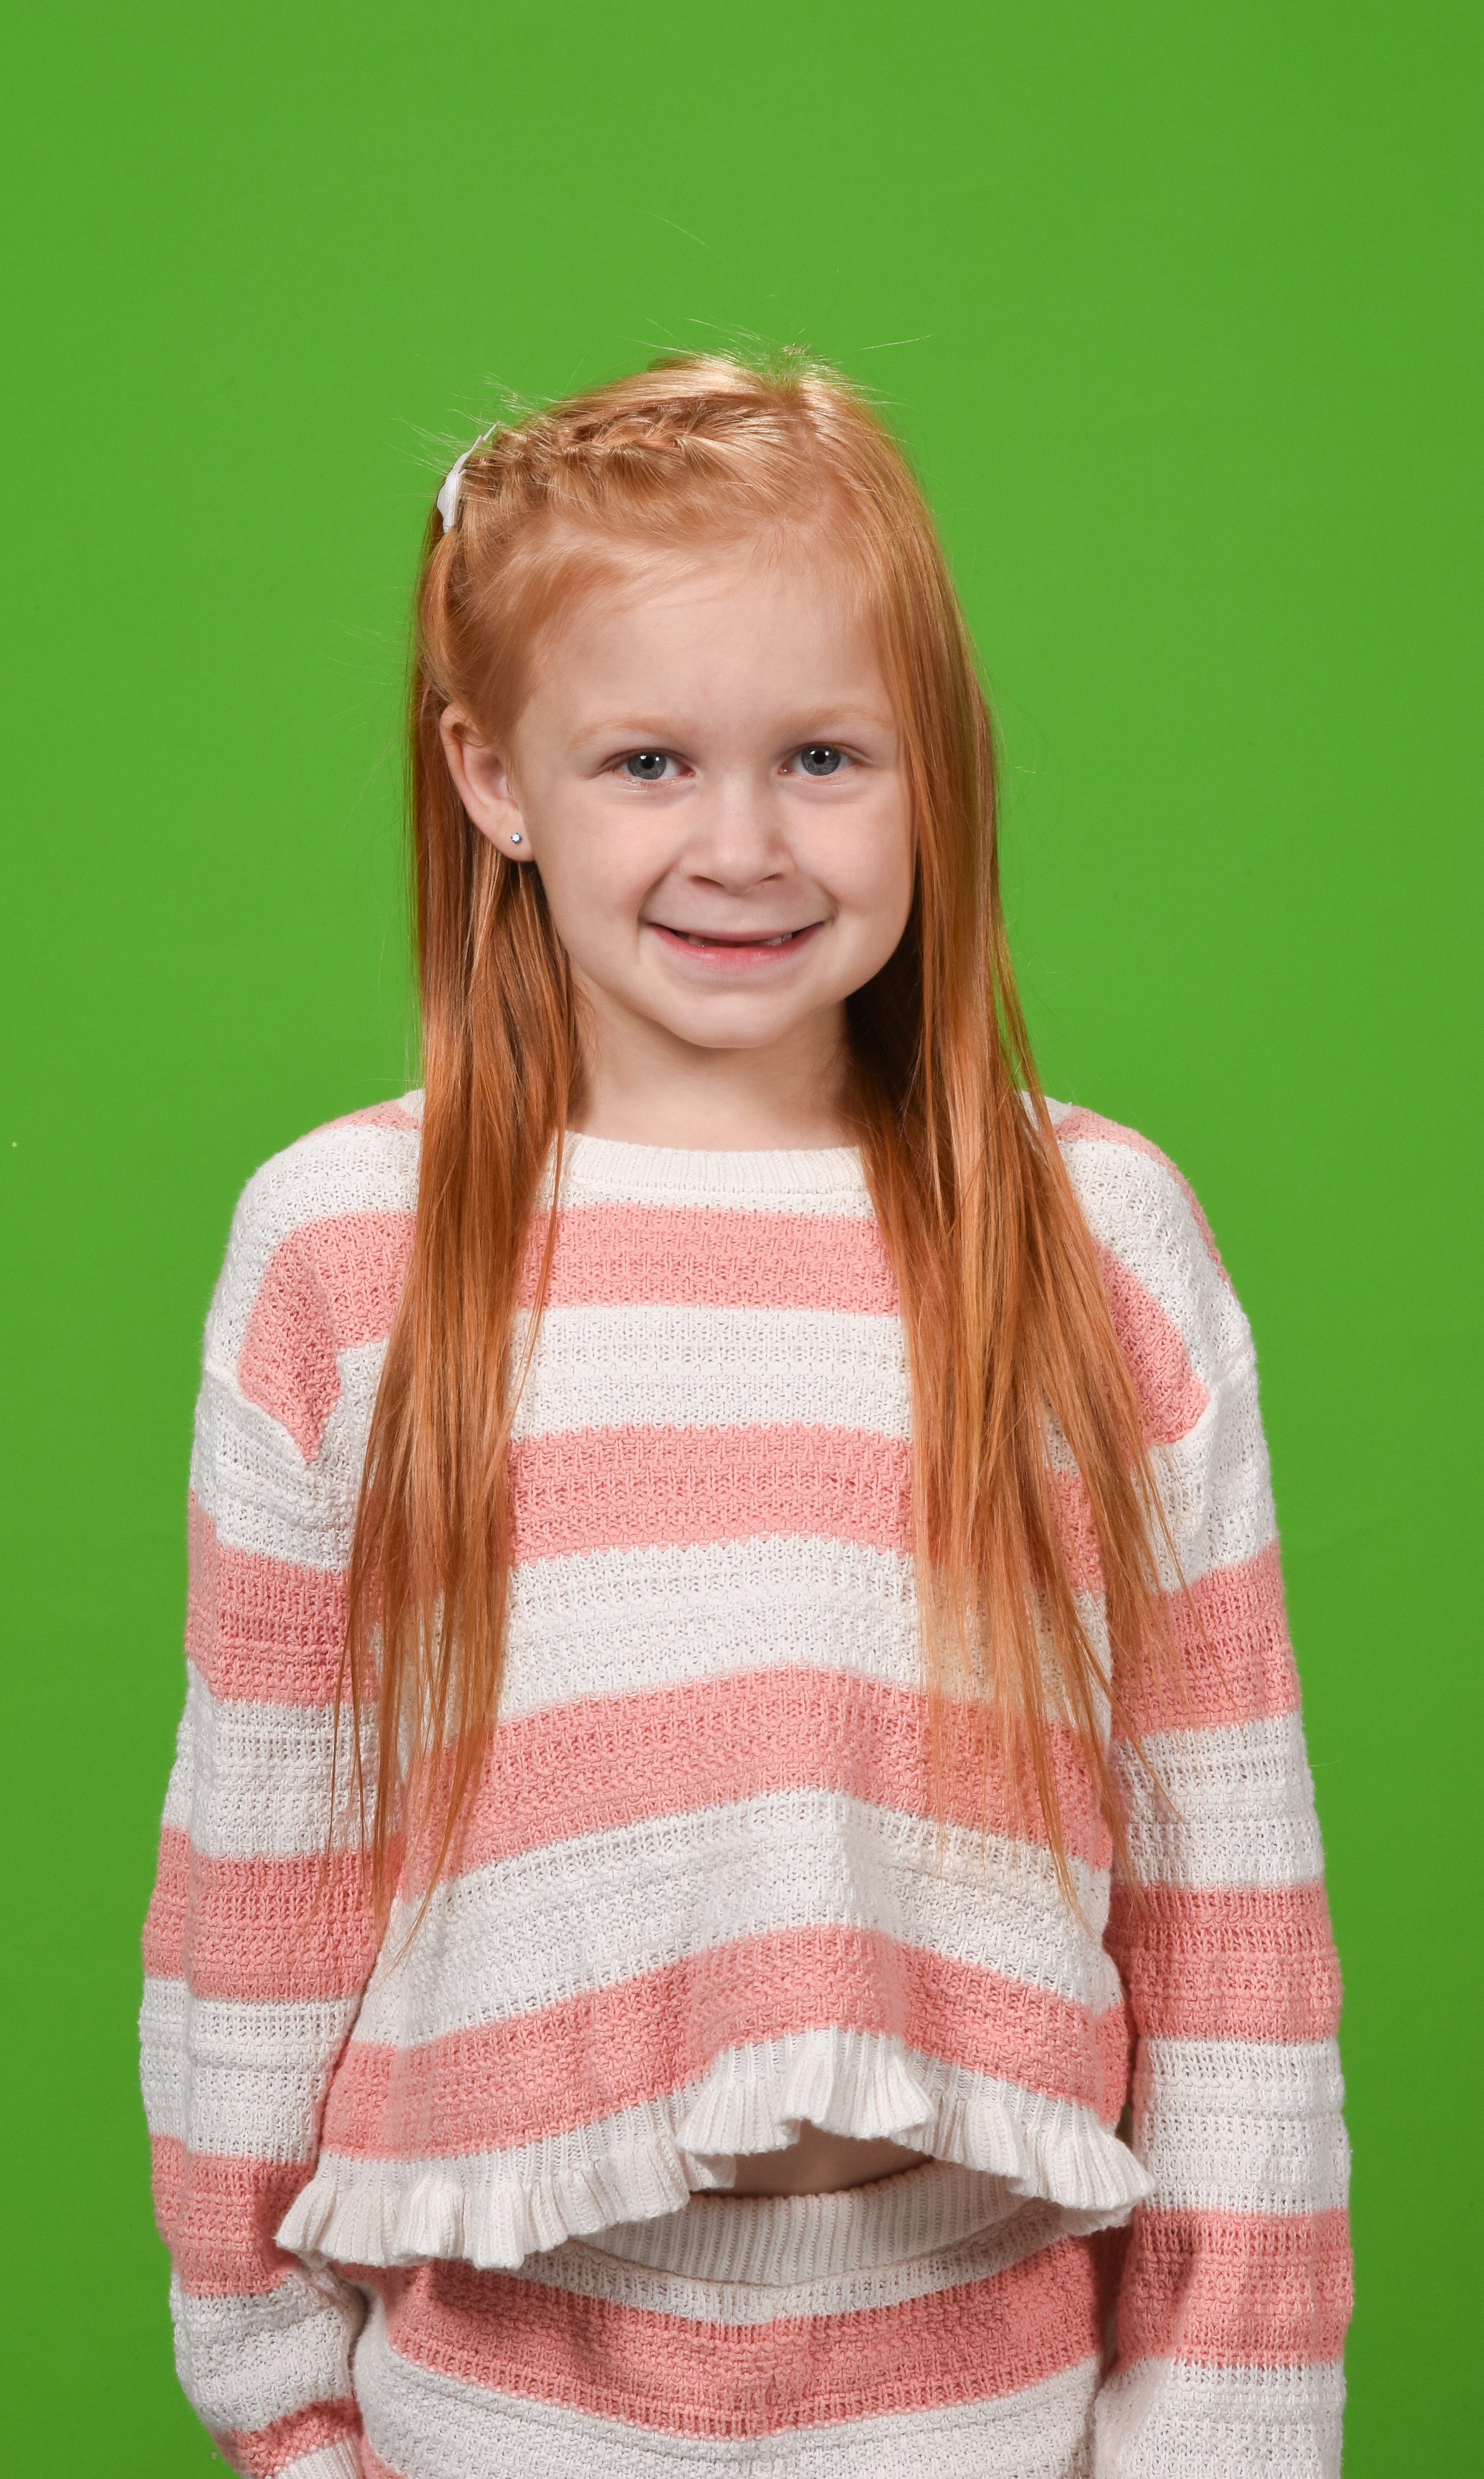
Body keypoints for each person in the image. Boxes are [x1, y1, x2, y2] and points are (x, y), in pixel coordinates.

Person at [140, 352, 1349, 2478]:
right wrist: (277, 2388)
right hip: (498, 2393)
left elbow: (1230, 1905)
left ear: (933, 768)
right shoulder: (348, 1248)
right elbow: (266, 1858)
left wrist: (1225, 2431)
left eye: (822, 756)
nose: (743, 846)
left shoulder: (1098, 1242)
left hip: (978, 2393)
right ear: (494, 778)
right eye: (645, 761)